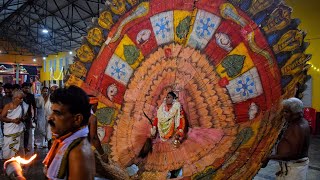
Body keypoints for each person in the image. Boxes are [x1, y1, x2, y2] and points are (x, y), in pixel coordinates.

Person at [43, 85, 95, 180]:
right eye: (52, 112)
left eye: (57, 113)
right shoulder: (64, 141)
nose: (50, 117)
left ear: (77, 119)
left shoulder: (78, 153)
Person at [263, 97, 310, 179]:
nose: (284, 114)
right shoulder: (298, 122)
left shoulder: (297, 128)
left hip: (293, 169)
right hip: (289, 167)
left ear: (296, 113)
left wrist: (270, 157)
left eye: (287, 112)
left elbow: (294, 154)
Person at [1, 90, 29, 159]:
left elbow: (26, 116)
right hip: (9, 130)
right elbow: (1, 117)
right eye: (20, 98)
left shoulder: (23, 106)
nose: (22, 100)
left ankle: (19, 164)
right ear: (14, 98)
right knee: (8, 149)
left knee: (20, 147)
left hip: (19, 130)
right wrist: (12, 120)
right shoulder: (8, 106)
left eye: (22, 98)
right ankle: (8, 161)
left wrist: (21, 119)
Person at [88, 96, 108, 162]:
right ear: (93, 105)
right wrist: (102, 154)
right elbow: (94, 137)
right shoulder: (92, 118)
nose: (96, 108)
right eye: (96, 106)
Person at [22, 82, 37, 152]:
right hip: (20, 116)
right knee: (20, 131)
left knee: (27, 131)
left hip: (28, 116)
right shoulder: (20, 95)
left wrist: (35, 116)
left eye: (28, 88)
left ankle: (25, 146)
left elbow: (34, 106)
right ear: (22, 88)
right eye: (25, 88)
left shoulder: (31, 96)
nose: (27, 89)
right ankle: (20, 146)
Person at [44, 84, 59, 149]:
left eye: (56, 89)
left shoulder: (60, 99)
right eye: (52, 90)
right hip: (49, 120)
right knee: (49, 135)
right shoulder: (47, 97)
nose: (54, 91)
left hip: (58, 122)